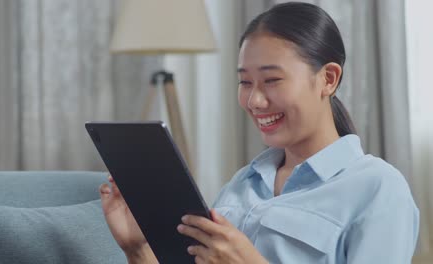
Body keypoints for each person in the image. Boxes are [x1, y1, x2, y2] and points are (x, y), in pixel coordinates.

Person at [99, 2, 419, 263]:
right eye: (245, 82)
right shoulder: (241, 184)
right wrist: (137, 250)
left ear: (328, 79)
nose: (255, 100)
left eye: (272, 80)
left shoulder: (378, 189)